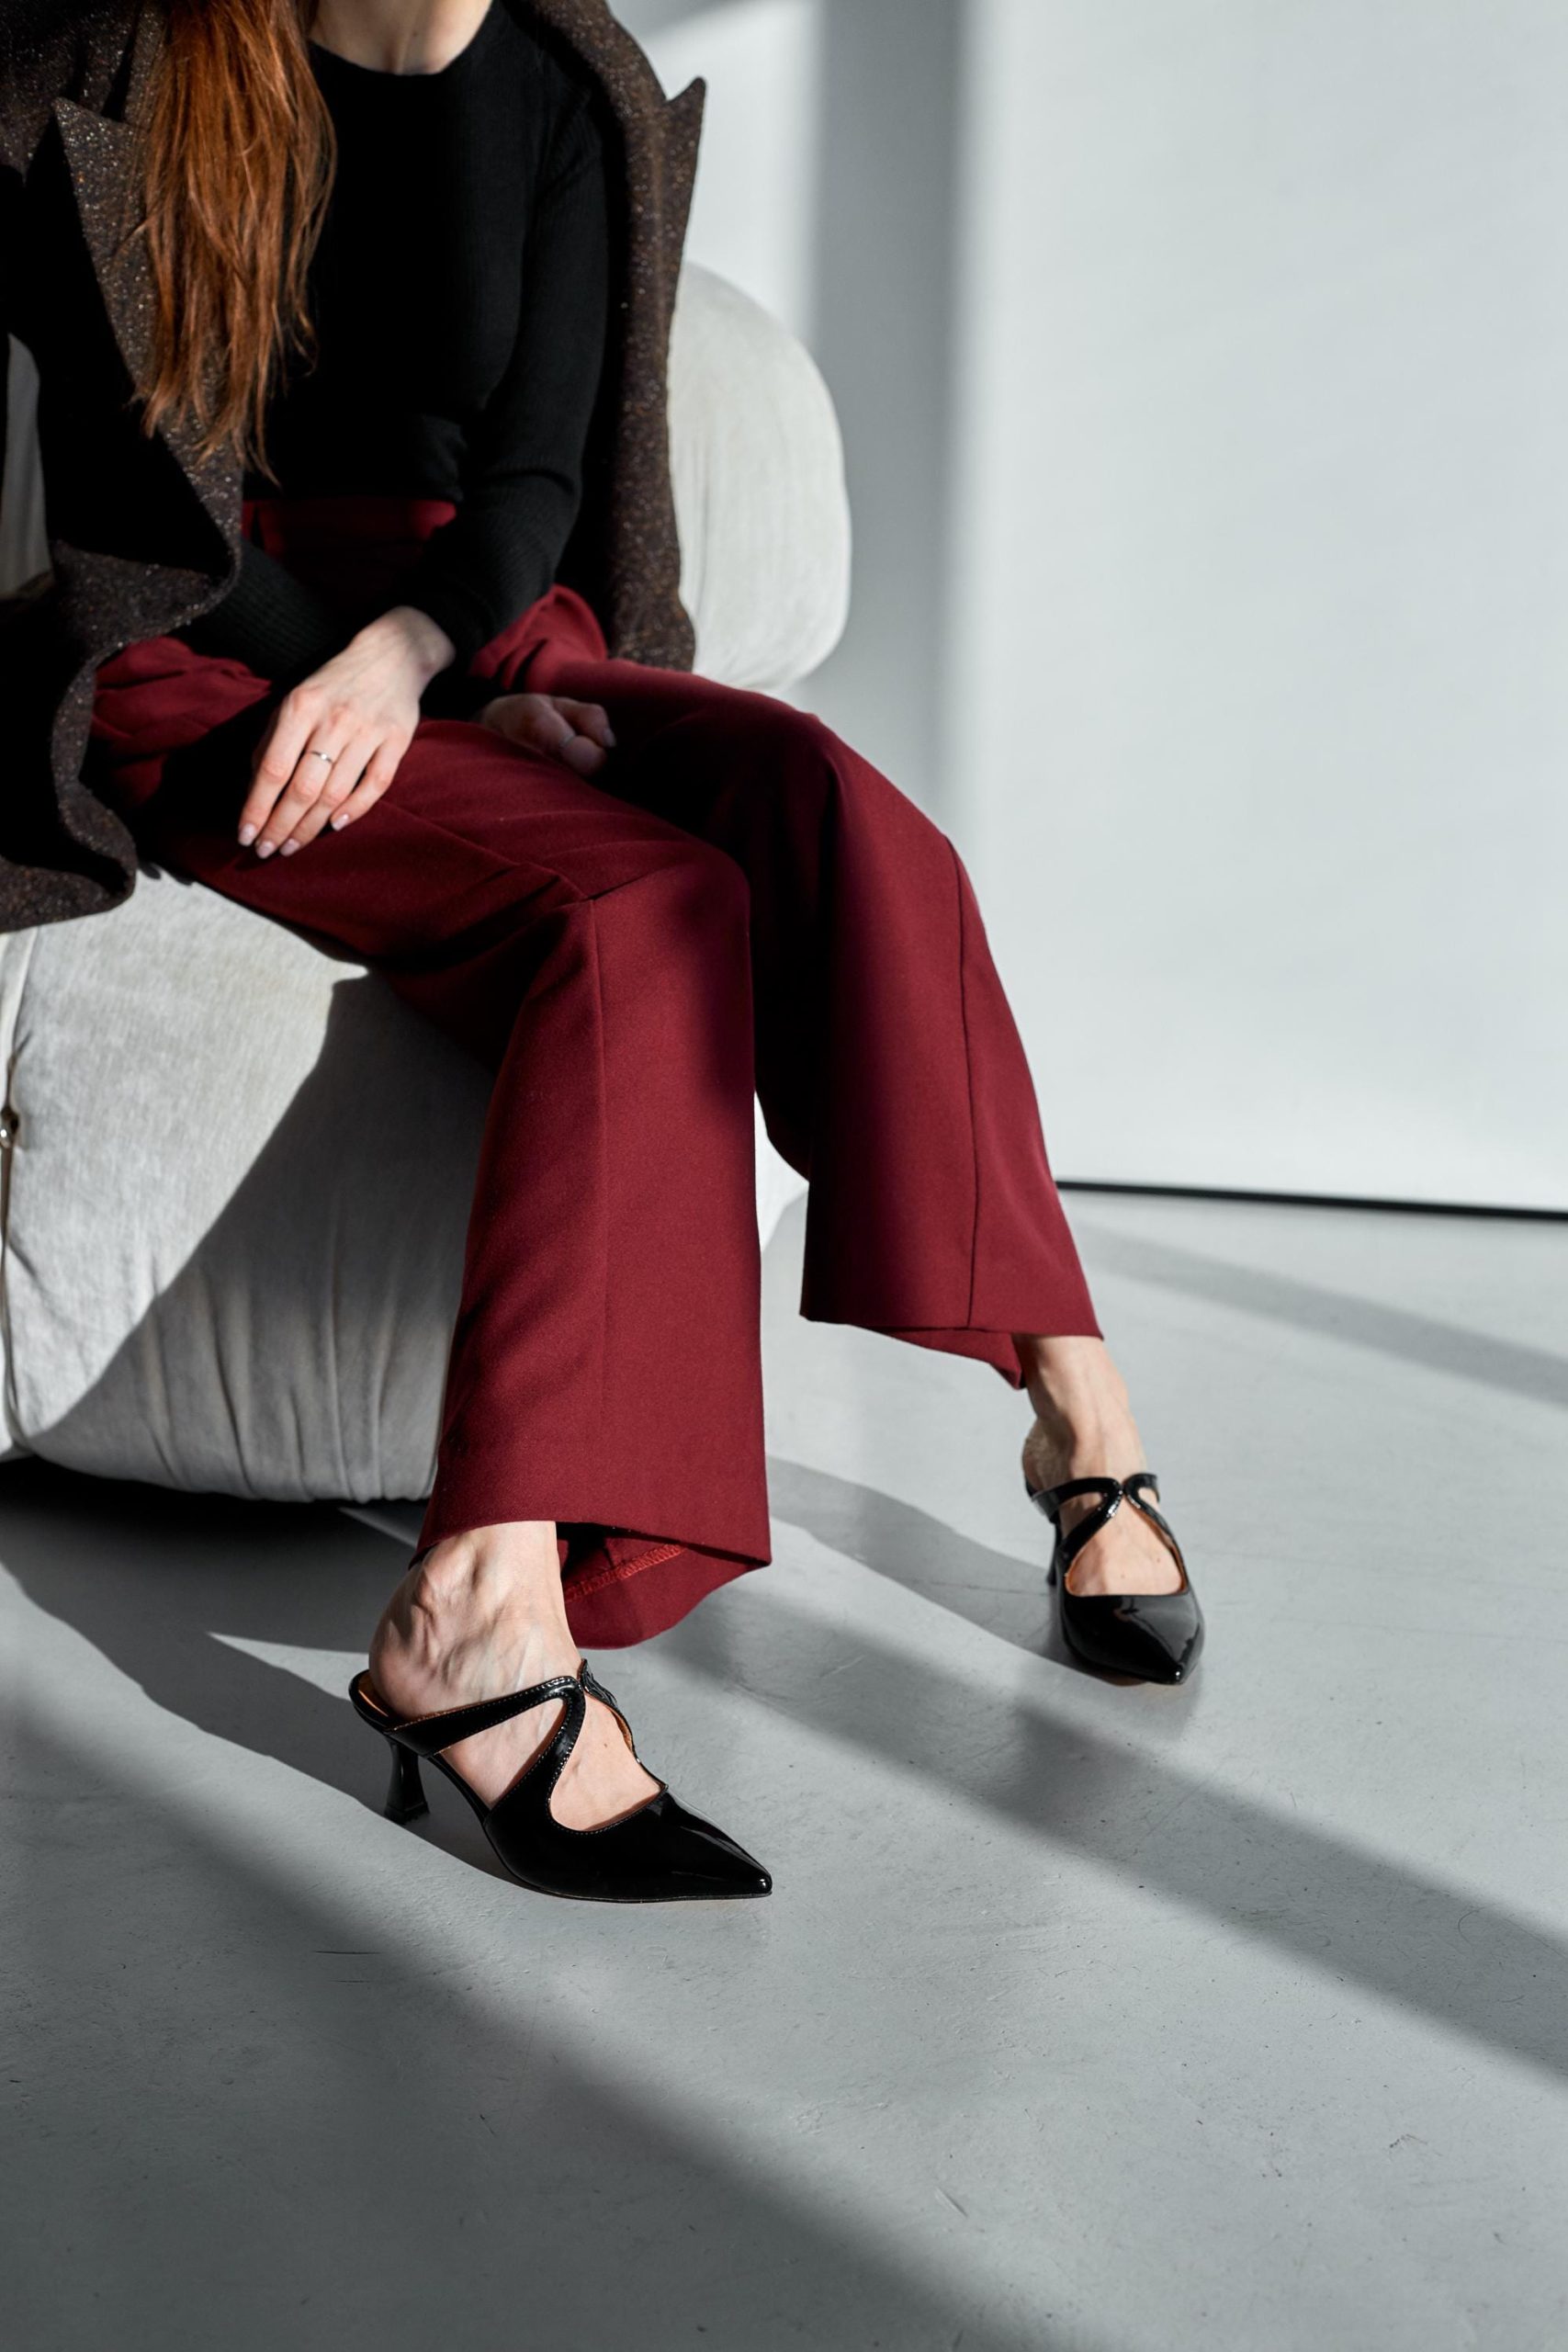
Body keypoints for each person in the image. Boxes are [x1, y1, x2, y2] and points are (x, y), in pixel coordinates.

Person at [0, 0, 1202, 1905]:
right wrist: (371, 679)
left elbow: (537, 482)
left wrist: (434, 664)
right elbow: (144, 475)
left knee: (833, 808)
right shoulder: (143, 53)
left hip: (472, 629)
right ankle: (481, 1609)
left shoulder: (574, 89)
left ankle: (1076, 1405)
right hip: (218, 650)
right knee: (649, 910)